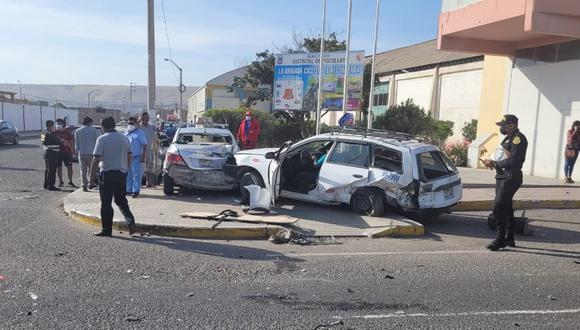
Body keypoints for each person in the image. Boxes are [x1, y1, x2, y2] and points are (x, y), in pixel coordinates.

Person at [483, 114, 528, 251]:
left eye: (503, 125)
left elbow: (514, 160)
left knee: (498, 206)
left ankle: (500, 239)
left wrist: (496, 163)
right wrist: (493, 163)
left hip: (511, 177)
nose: (501, 127)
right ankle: (509, 238)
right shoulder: (509, 137)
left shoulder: (518, 138)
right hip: (502, 176)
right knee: (506, 207)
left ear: (512, 125)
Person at [89, 116, 137, 237]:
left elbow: (96, 159)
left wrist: (91, 178)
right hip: (121, 174)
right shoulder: (124, 138)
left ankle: (106, 229)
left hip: (107, 174)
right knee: (121, 201)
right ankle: (131, 221)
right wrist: (125, 169)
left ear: (103, 126)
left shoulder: (102, 139)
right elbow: (130, 155)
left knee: (106, 203)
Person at [125, 117, 148, 198]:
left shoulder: (139, 133)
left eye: (132, 123)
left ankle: (136, 191)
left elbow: (145, 145)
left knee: (136, 175)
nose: (130, 125)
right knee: (128, 174)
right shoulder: (126, 132)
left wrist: (143, 157)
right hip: (127, 157)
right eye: (129, 123)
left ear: (136, 124)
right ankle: (129, 189)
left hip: (136, 157)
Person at [74, 117, 99, 192]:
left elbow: (76, 142)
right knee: (92, 169)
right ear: (90, 122)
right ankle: (90, 183)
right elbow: (97, 141)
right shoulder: (94, 130)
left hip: (81, 153)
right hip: (92, 153)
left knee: (83, 170)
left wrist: (77, 151)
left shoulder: (78, 131)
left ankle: (84, 185)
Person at [54, 118, 77, 188]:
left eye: (60, 124)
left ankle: (70, 181)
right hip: (57, 153)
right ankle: (60, 181)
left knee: (69, 167)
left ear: (63, 125)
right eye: (57, 123)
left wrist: (72, 150)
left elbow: (72, 142)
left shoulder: (67, 133)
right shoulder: (54, 133)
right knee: (59, 168)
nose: (58, 125)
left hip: (67, 152)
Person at [139, 112, 157, 187]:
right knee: (140, 168)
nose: (147, 119)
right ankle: (138, 183)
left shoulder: (151, 127)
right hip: (140, 150)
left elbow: (158, 129)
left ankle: (149, 182)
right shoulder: (139, 127)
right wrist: (139, 120)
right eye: (145, 117)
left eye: (148, 118)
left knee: (149, 167)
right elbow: (132, 126)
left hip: (150, 150)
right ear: (142, 118)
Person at [42, 120, 62, 191]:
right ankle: (51, 185)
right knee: (52, 169)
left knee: (47, 169)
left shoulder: (43, 132)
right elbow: (58, 142)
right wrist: (61, 141)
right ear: (51, 125)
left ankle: (46, 184)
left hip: (46, 152)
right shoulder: (51, 133)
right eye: (53, 125)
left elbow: (43, 142)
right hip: (52, 153)